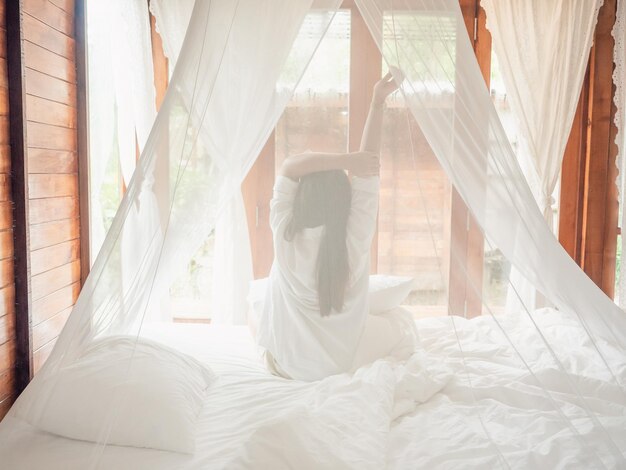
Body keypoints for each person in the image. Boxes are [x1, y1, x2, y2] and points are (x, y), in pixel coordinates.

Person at [256, 70, 417, 381]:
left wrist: (344, 161)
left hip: (284, 366)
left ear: (300, 197)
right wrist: (377, 101)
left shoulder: (284, 231)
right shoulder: (353, 237)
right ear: (344, 202)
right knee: (403, 323)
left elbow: (290, 166)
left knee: (258, 312)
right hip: (341, 364)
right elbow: (368, 165)